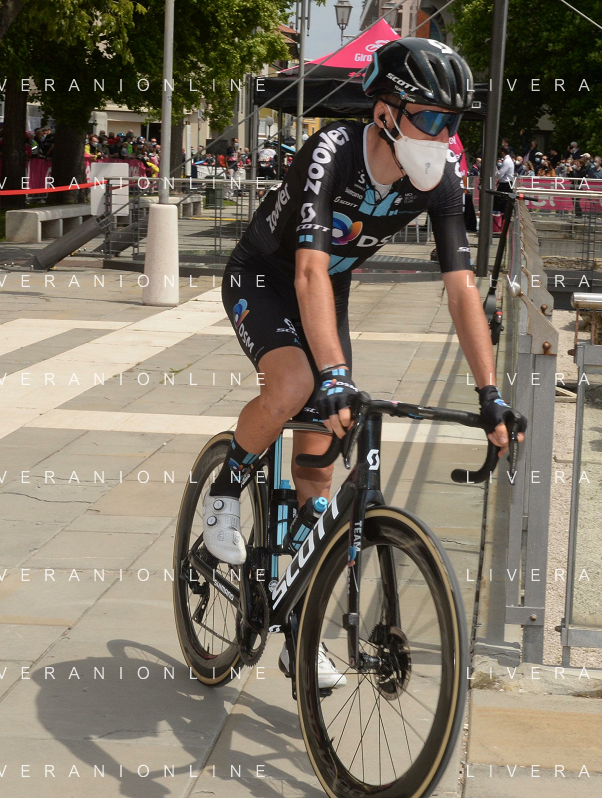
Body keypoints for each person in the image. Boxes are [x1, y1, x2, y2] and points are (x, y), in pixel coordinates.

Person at [206, 38, 526, 685]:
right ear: (384, 112)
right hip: (266, 277)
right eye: (429, 117)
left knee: (321, 467)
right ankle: (224, 488)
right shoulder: (332, 150)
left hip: (329, 290)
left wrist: (489, 392)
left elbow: (462, 289)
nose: (443, 134)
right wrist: (331, 374)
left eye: (452, 121)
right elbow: (305, 271)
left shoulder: (440, 176)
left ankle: (300, 624)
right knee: (296, 385)